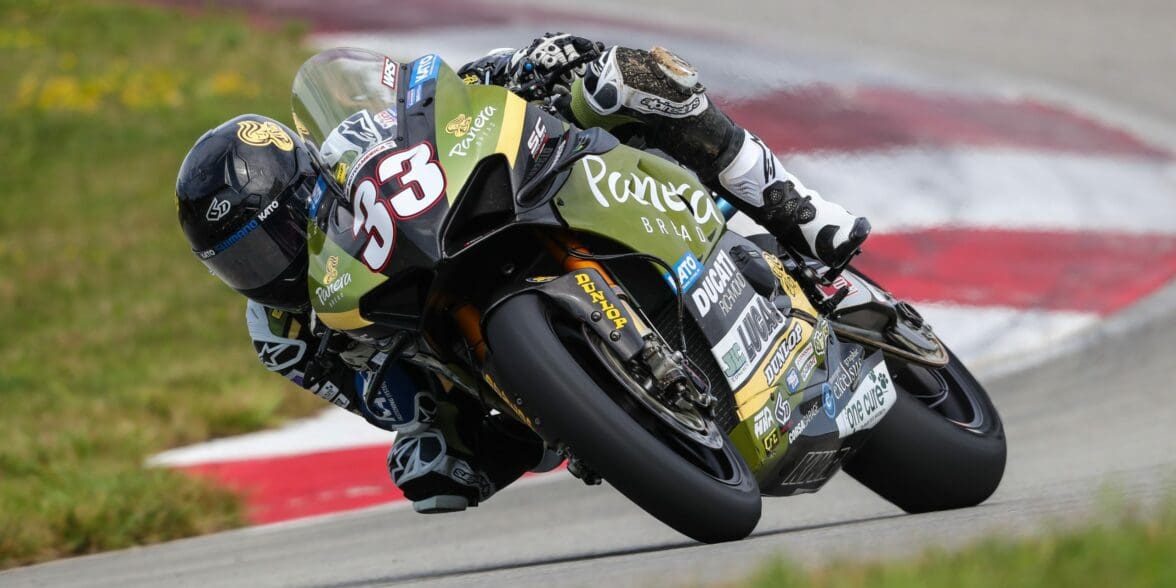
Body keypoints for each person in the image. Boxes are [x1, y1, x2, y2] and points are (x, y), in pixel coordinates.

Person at [173, 34, 869, 514]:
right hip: (449, 349)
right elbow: (381, 398)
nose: (272, 265)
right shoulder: (283, 329)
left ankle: (796, 211)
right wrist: (423, 429)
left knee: (618, 80)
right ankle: (598, 406)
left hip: (492, 196)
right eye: (244, 262)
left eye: (276, 235)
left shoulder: (350, 148)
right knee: (439, 470)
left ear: (308, 187)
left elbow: (430, 106)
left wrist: (526, 66)